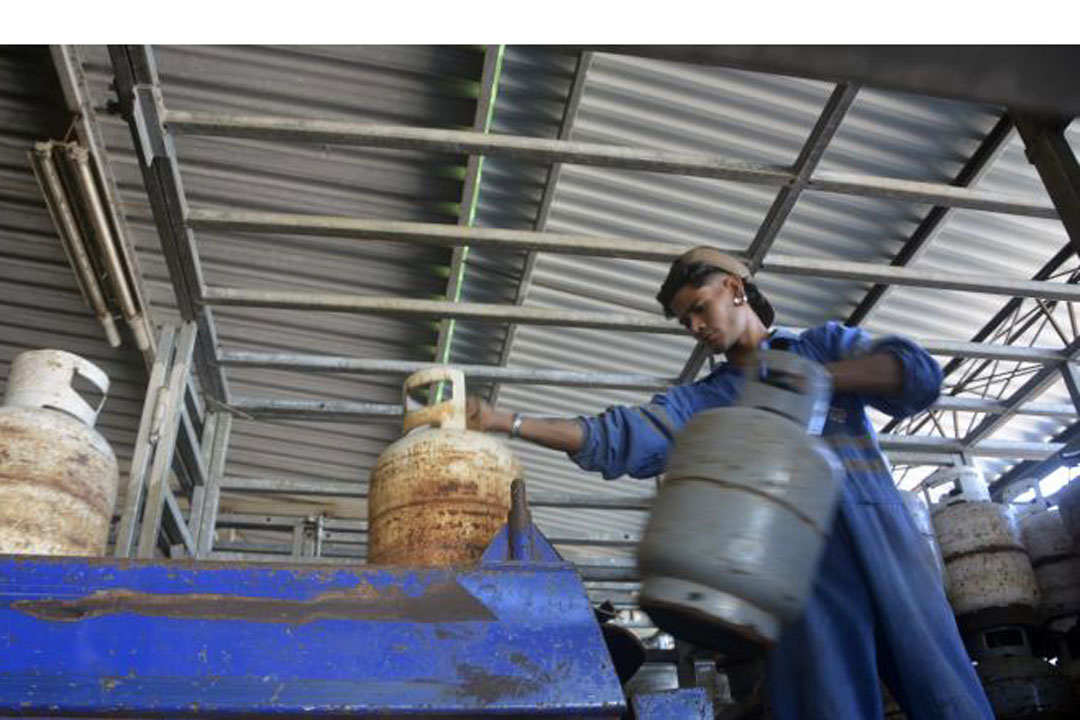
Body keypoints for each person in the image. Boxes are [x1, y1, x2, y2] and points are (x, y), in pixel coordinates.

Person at [466, 247, 993, 719]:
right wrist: (505, 421)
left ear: (735, 290)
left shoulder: (822, 346)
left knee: (946, 691)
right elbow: (618, 437)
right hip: (796, 573)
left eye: (699, 308)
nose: (694, 326)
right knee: (828, 706)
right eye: (684, 320)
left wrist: (820, 379)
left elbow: (918, 375)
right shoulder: (701, 401)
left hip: (885, 545)